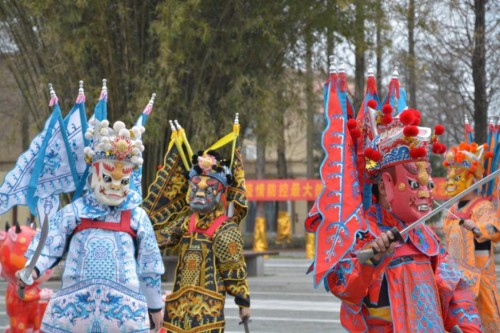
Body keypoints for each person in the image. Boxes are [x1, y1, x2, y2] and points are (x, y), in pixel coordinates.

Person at [307, 64, 482, 332]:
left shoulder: (425, 236)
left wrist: (470, 326)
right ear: (386, 183)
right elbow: (342, 286)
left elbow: (455, 286)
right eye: (413, 183)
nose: (425, 191)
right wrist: (370, 260)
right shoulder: (362, 231)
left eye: (427, 183)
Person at [16, 113, 165, 332]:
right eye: (108, 178)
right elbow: (48, 247)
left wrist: (155, 306)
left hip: (124, 314)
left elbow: (149, 267)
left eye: (123, 180)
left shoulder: (137, 217)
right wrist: (33, 270)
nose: (115, 185)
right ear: (94, 175)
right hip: (74, 314)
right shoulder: (74, 212)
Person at [144, 118, 250, 332]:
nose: (200, 192)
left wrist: (243, 301)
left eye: (208, 188)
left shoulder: (225, 229)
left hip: (207, 313)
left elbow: (234, 269)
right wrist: (135, 234)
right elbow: (160, 238)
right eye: (195, 187)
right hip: (178, 309)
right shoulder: (186, 222)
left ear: (220, 193)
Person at [442, 141, 500, 332]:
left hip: (481, 276)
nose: (450, 181)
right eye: (449, 176)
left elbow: (495, 229)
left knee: (489, 319)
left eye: (456, 177)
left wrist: (477, 228)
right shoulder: (451, 209)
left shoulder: (482, 206)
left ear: (472, 180)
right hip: (456, 277)